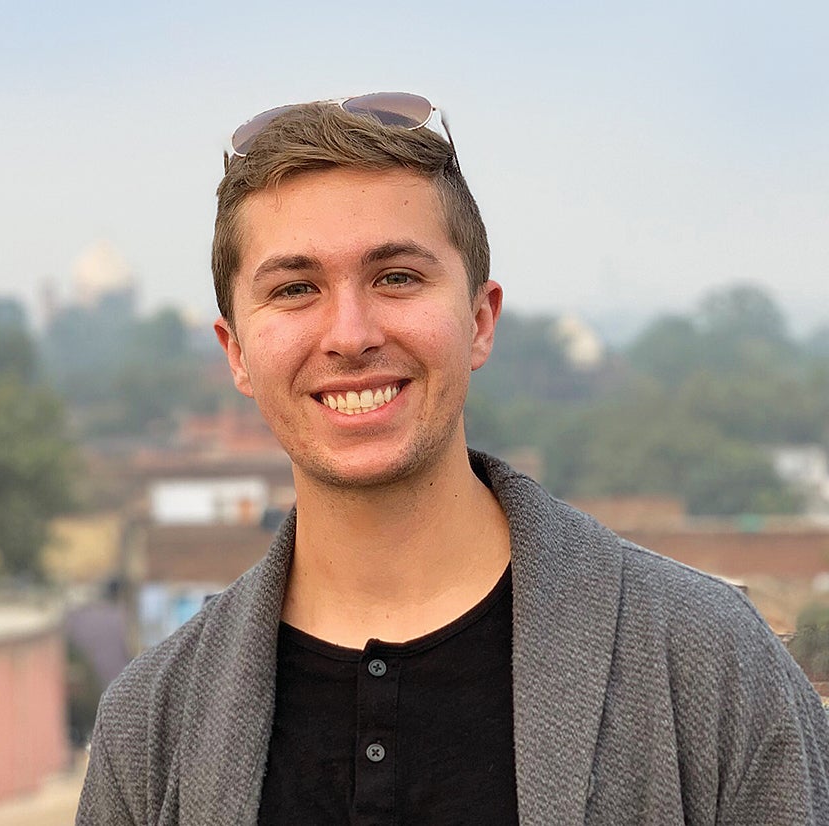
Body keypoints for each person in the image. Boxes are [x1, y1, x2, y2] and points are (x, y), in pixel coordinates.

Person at [76, 93, 829, 825]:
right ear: (236, 353)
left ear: (479, 320)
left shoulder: (703, 663)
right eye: (296, 288)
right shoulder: (154, 727)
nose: (350, 334)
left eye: (396, 277)